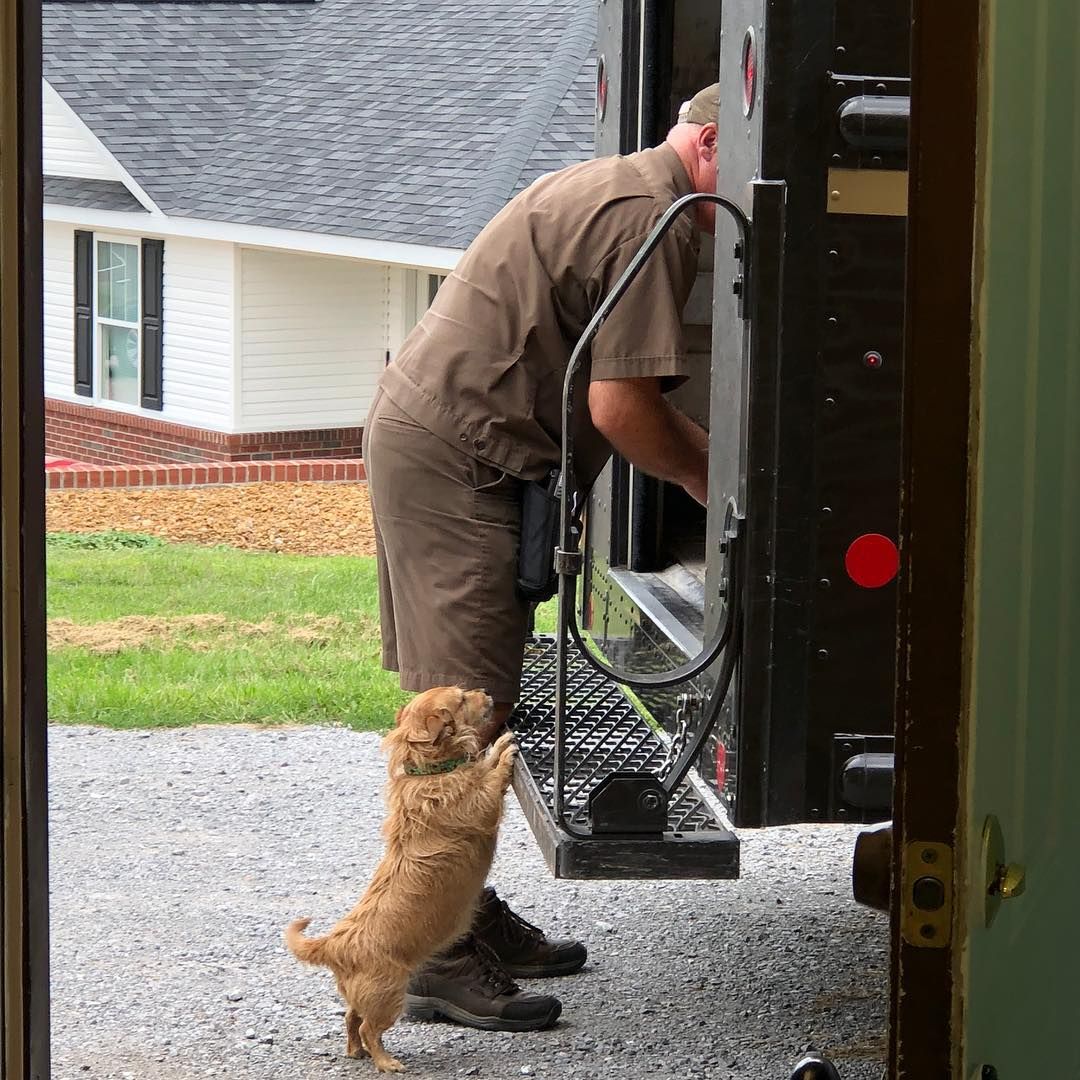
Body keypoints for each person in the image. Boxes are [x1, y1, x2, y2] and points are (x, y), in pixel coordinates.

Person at [361, 83, 720, 1031]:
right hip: (456, 456)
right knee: (454, 724)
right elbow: (621, 410)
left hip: (452, 443)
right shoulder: (661, 217)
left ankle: (465, 913)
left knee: (476, 708)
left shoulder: (629, 189)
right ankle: (432, 957)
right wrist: (715, 486)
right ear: (711, 144)